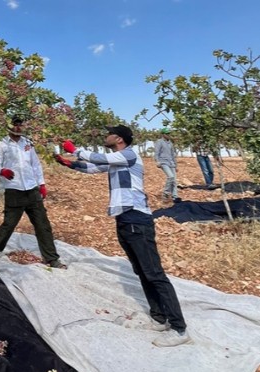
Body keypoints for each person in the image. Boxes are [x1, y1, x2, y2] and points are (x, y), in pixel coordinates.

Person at [55, 125, 192, 347]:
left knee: (154, 274)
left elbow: (97, 157)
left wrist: (75, 149)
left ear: (119, 138)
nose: (105, 136)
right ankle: (159, 318)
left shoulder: (128, 155)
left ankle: (179, 329)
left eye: (109, 134)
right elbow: (92, 167)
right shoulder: (117, 161)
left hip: (137, 219)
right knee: (142, 272)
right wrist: (69, 163)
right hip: (125, 219)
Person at [0, 116, 65, 269]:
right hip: (14, 189)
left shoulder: (28, 144)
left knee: (43, 225)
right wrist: (2, 170)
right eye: (15, 124)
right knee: (9, 224)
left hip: (32, 189)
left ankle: (51, 258)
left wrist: (41, 184)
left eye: (20, 124)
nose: (18, 127)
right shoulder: (2, 144)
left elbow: (35, 165)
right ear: (9, 126)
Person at [154, 128, 181, 203]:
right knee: (170, 177)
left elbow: (173, 155)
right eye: (167, 133)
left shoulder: (170, 143)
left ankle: (175, 197)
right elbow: (156, 153)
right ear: (163, 134)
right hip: (163, 162)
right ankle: (165, 193)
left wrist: (176, 165)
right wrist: (157, 161)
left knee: (174, 180)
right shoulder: (159, 142)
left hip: (171, 163)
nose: (169, 135)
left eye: (169, 133)